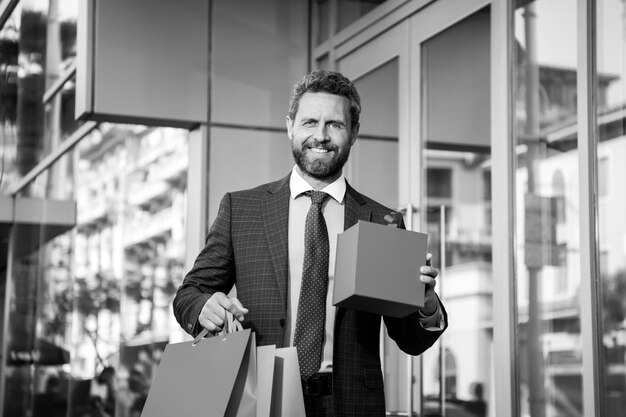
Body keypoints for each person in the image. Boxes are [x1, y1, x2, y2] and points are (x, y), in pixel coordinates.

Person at [173, 69, 447, 417]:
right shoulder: (241, 209)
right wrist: (203, 306)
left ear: (354, 133)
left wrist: (426, 305)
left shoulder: (383, 221)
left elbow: (409, 339)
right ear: (290, 126)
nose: (321, 135)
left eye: (334, 124)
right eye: (310, 122)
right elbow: (189, 293)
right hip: (261, 397)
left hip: (349, 403)